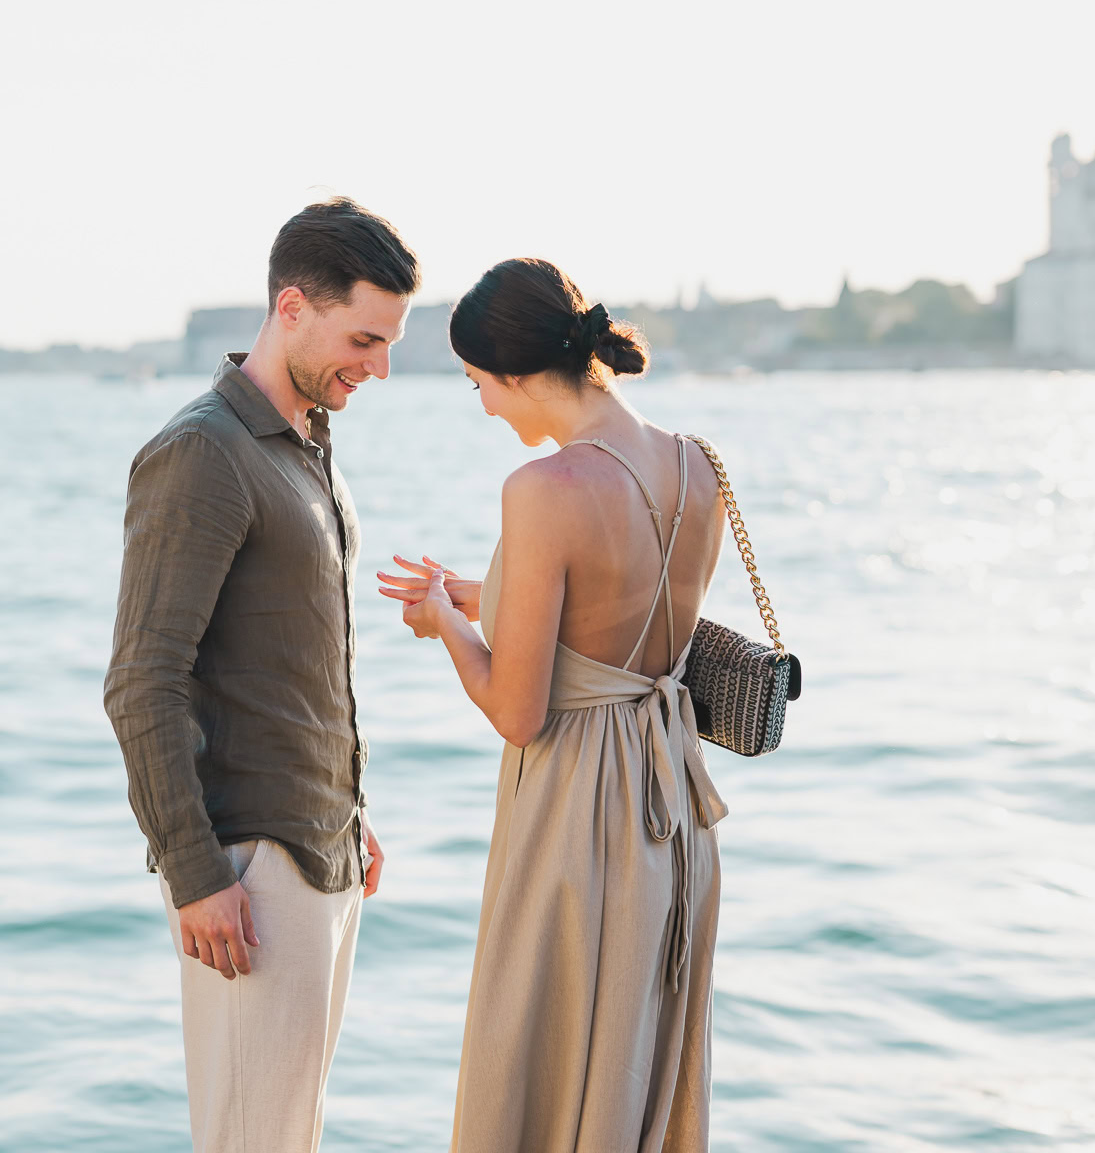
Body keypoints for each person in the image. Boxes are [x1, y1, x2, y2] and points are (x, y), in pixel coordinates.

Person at [376, 257, 728, 1152]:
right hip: (673, 815)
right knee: (633, 1062)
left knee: (535, 1057)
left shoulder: (544, 490)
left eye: (479, 384)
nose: (487, 407)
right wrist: (478, 590)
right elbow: (623, 617)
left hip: (580, 809)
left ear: (524, 375)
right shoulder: (698, 468)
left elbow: (517, 709)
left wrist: (444, 625)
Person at [103, 196, 419, 1152]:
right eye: (364, 338)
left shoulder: (309, 444)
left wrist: (348, 808)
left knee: (291, 1135)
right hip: (247, 872)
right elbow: (143, 680)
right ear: (292, 308)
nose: (380, 367)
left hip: (321, 855)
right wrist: (197, 876)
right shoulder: (205, 452)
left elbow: (295, 661)